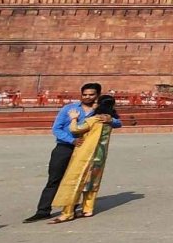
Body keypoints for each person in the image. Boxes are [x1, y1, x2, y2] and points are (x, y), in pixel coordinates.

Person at [26, 82, 122, 222]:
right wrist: (72, 141)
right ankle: (43, 210)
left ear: (97, 96)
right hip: (65, 147)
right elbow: (56, 129)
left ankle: (71, 208)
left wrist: (111, 119)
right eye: (85, 94)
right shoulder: (69, 109)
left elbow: (118, 123)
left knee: (80, 179)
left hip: (86, 150)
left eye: (91, 95)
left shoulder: (99, 112)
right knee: (55, 178)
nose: (87, 97)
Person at [48, 95, 118, 223]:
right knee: (92, 181)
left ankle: (67, 213)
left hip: (85, 154)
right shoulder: (109, 121)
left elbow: (74, 129)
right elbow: (118, 122)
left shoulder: (94, 119)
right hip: (100, 155)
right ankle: (88, 209)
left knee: (74, 180)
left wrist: (74, 118)